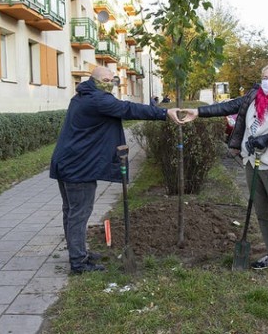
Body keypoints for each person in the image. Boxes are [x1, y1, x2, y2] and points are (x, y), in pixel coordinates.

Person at [180, 63, 268, 284]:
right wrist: (198, 112)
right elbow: (227, 107)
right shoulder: (253, 97)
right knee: (262, 214)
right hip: (251, 162)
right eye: (265, 76)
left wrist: (266, 139)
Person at [50, 67, 183, 275]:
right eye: (108, 80)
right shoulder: (98, 99)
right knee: (78, 213)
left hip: (67, 161)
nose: (111, 83)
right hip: (78, 166)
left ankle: (79, 252)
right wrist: (165, 113)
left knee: (71, 211)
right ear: (98, 80)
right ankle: (78, 262)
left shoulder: (81, 96)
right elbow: (129, 109)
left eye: (113, 80)